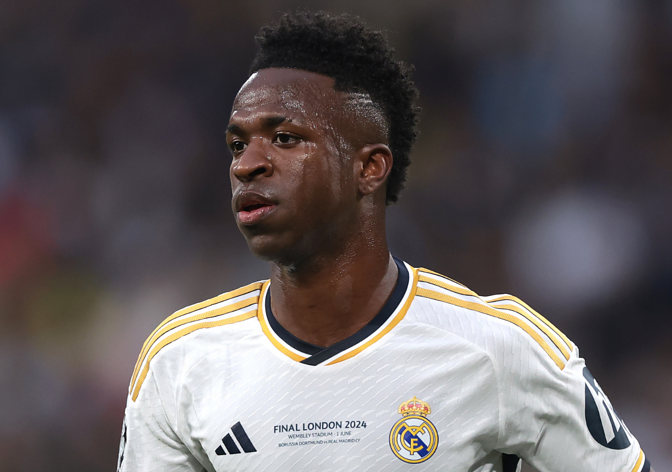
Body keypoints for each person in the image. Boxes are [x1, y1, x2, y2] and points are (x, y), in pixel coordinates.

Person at [117, 11, 652, 472]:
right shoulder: (181, 362)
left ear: (369, 168)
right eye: (238, 143)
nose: (248, 163)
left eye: (285, 138)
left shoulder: (498, 347)